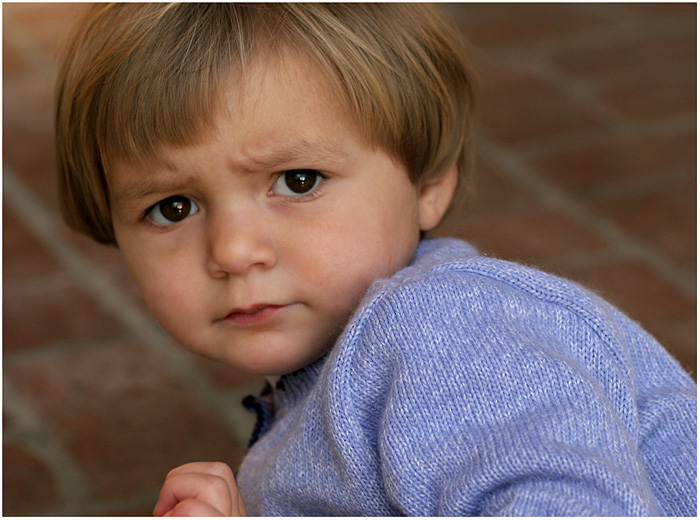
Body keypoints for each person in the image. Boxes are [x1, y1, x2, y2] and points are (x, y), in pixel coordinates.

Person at [55, 3, 696, 517]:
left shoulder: (448, 330)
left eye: (298, 180)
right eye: (172, 208)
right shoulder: (375, 356)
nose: (233, 251)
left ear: (426, 183)